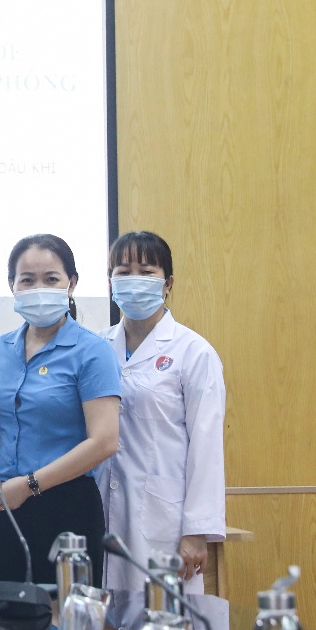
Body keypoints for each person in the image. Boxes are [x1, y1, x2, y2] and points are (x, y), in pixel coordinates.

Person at [0, 233, 121, 586]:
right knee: (5, 615)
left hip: (65, 505)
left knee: (67, 615)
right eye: (27, 280)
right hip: (3, 504)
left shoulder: (92, 351)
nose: (38, 288)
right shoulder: (1, 348)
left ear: (71, 283)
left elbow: (104, 442)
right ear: (12, 285)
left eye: (51, 279)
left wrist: (29, 485)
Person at [97, 231, 226, 593]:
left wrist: (196, 531)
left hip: (163, 520)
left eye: (146, 271)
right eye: (123, 272)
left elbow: (207, 448)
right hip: (100, 514)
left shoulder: (194, 352)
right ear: (110, 282)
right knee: (103, 621)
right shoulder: (96, 347)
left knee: (163, 620)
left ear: (168, 284)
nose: (134, 280)